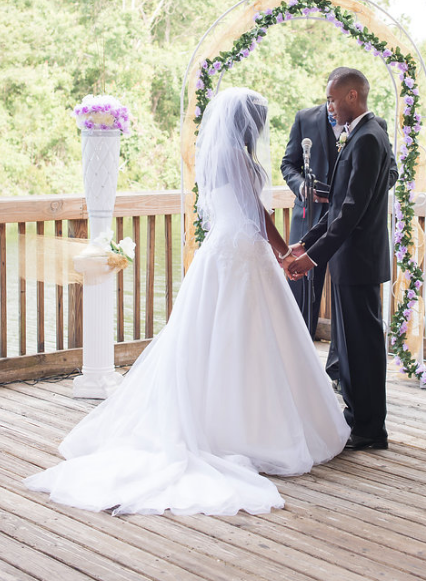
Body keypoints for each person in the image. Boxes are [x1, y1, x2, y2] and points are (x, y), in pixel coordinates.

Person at [25, 88, 350, 515]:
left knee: (224, 336)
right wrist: (283, 252)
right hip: (242, 249)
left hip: (227, 249)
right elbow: (256, 211)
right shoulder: (238, 157)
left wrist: (279, 250)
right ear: (246, 125)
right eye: (258, 121)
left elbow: (243, 211)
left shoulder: (219, 155)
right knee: (247, 336)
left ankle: (230, 418)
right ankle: (245, 428)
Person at [288, 68, 393, 451]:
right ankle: (357, 419)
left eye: (333, 98)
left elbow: (351, 210)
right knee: (351, 346)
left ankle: (369, 428)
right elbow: (337, 208)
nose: (328, 106)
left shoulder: (367, 138)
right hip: (350, 259)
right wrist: (306, 243)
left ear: (352, 96)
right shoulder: (362, 134)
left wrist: (312, 259)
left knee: (362, 346)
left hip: (359, 260)